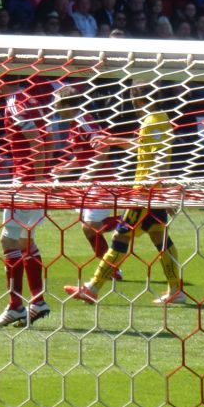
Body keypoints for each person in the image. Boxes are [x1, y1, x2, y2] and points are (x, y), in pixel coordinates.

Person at [63, 82, 185, 305]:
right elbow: (142, 147)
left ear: (135, 100)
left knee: (120, 237)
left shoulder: (152, 121)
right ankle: (176, 290)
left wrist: (158, 188)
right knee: (161, 239)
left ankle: (93, 287)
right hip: (153, 191)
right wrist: (113, 141)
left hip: (145, 191)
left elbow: (157, 157)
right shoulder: (161, 118)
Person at [0, 79, 54, 328]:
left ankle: (16, 306)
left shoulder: (15, 103)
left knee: (9, 240)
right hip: (36, 178)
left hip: (26, 182)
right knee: (26, 240)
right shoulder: (31, 99)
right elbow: (47, 139)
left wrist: (36, 181)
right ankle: (37, 302)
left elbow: (36, 140)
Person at [51, 85, 122, 278]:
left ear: (67, 104)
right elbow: (82, 156)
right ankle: (112, 269)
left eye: (57, 103)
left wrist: (89, 173)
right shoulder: (75, 123)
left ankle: (130, 223)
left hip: (103, 181)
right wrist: (66, 168)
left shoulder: (83, 121)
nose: (54, 107)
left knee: (90, 225)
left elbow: (104, 148)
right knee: (88, 228)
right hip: (93, 181)